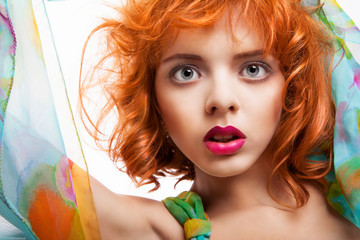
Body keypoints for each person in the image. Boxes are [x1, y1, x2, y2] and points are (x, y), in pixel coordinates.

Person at [80, 0, 360, 239]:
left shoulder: (351, 207)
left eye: (253, 69)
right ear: (151, 95)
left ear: (294, 85)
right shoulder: (149, 230)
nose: (221, 100)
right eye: (186, 73)